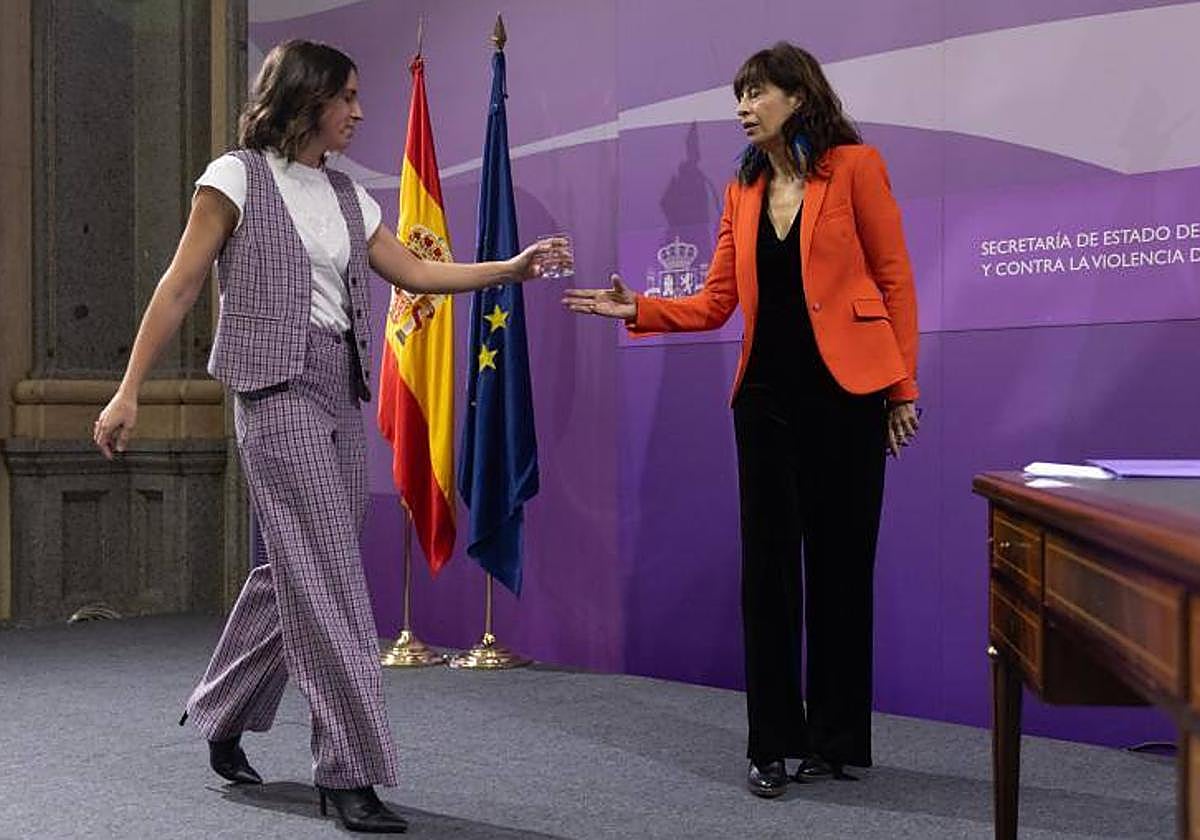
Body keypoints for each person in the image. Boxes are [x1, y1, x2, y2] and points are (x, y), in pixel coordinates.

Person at [92, 40, 568, 833]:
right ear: (305, 97)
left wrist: (508, 270)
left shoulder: (351, 195)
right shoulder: (235, 175)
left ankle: (222, 709)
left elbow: (414, 274)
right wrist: (127, 391)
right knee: (334, 579)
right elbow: (177, 287)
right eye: (345, 96)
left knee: (297, 570)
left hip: (336, 394)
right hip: (271, 392)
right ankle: (347, 770)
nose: (357, 111)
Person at [563, 41, 919, 798]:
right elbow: (716, 302)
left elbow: (893, 279)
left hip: (850, 393)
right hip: (764, 400)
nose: (743, 108)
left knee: (841, 567)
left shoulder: (856, 167)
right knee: (767, 573)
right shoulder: (743, 190)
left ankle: (835, 738)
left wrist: (902, 387)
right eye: (739, 96)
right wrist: (641, 309)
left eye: (755, 92)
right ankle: (771, 744)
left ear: (797, 95)